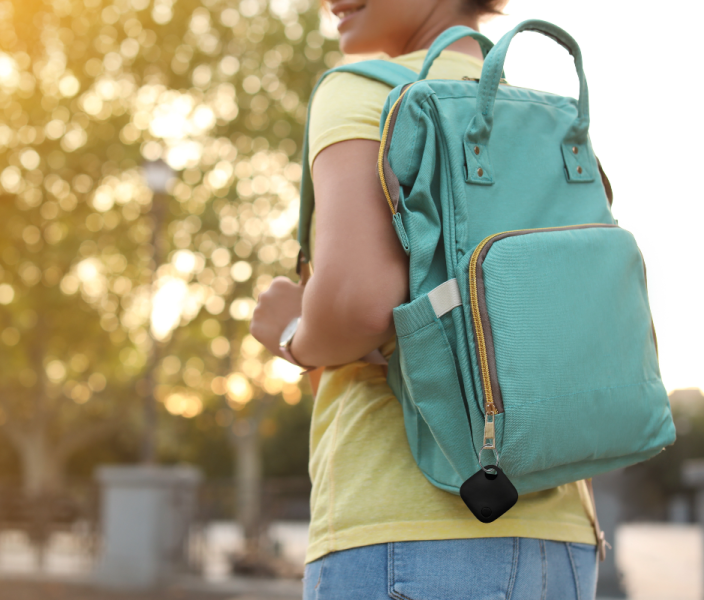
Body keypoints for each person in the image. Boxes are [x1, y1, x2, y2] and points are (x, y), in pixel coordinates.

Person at [250, 1, 599, 598]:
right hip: (563, 533)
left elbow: (359, 303)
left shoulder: (363, 91)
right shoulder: (543, 118)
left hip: (406, 523)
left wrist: (292, 335)